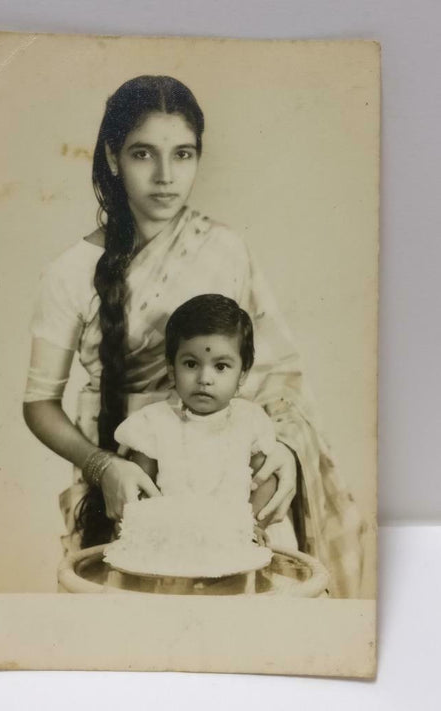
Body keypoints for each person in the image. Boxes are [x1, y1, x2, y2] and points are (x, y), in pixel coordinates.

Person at [23, 75, 364, 597]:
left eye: (183, 155)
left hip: (234, 487)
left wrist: (286, 457)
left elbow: (277, 379)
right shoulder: (70, 272)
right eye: (143, 154)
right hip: (131, 489)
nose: (165, 176)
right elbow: (39, 404)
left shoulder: (226, 250)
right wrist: (103, 466)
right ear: (113, 158)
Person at [113, 293, 295, 548]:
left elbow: (267, 479)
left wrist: (252, 524)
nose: (204, 378)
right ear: (171, 369)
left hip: (236, 539)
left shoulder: (249, 421)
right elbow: (140, 485)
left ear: (242, 374)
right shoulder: (155, 424)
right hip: (174, 542)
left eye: (220, 367)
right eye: (191, 364)